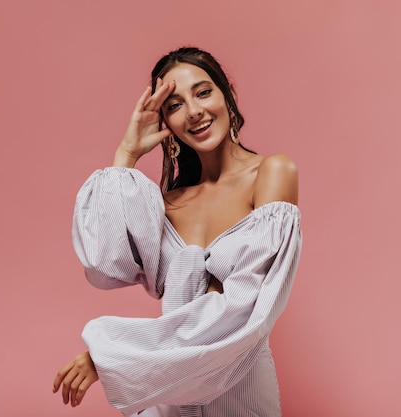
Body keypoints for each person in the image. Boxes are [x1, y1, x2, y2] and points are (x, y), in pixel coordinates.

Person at [52, 47, 302, 417]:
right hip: (169, 399)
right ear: (165, 121)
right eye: (175, 104)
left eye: (203, 92)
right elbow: (103, 266)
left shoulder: (272, 173)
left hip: (239, 399)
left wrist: (110, 356)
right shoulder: (166, 204)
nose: (194, 111)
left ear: (226, 95)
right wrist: (126, 154)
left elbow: (240, 311)